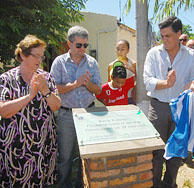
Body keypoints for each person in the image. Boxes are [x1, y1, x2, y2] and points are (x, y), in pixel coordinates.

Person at [143, 16, 194, 188]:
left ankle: (169, 184)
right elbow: (147, 81)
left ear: (179, 34)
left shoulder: (191, 55)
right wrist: (166, 84)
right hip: (158, 107)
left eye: (168, 36)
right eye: (162, 36)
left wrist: (191, 86)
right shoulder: (154, 53)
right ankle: (154, 184)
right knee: (156, 152)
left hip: (181, 108)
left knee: (175, 153)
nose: (164, 40)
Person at [0, 35, 61, 187]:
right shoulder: (6, 79)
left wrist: (45, 90)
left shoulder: (46, 77)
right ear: (22, 54)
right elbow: (3, 111)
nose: (39, 60)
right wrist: (30, 96)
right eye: (36, 56)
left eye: (41, 56)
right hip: (15, 146)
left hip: (42, 145)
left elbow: (56, 106)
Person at [50, 25, 102, 188]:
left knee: (85, 156)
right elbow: (53, 89)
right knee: (65, 156)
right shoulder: (59, 62)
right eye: (79, 45)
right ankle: (64, 185)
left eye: (85, 45)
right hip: (67, 115)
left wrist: (87, 84)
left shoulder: (92, 63)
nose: (83, 49)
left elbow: (98, 89)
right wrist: (74, 84)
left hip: (88, 113)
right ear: (69, 44)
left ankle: (82, 184)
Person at [108, 39, 136, 104]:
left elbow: (140, 78)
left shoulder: (133, 63)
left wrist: (130, 68)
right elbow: (109, 84)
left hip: (130, 98)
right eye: (117, 49)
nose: (119, 52)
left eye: (122, 49)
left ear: (128, 50)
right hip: (116, 98)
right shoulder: (111, 65)